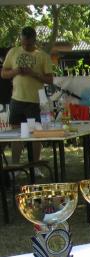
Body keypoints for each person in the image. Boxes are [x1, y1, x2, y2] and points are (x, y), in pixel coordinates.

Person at [1, 26, 53, 164]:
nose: (25, 46)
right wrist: (16, 71)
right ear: (21, 39)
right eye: (23, 43)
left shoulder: (42, 56)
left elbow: (50, 79)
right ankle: (15, 165)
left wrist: (33, 73)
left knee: (36, 134)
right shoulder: (13, 52)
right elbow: (4, 73)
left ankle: (35, 165)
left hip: (34, 101)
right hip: (16, 100)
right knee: (16, 134)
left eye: (28, 44)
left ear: (34, 40)